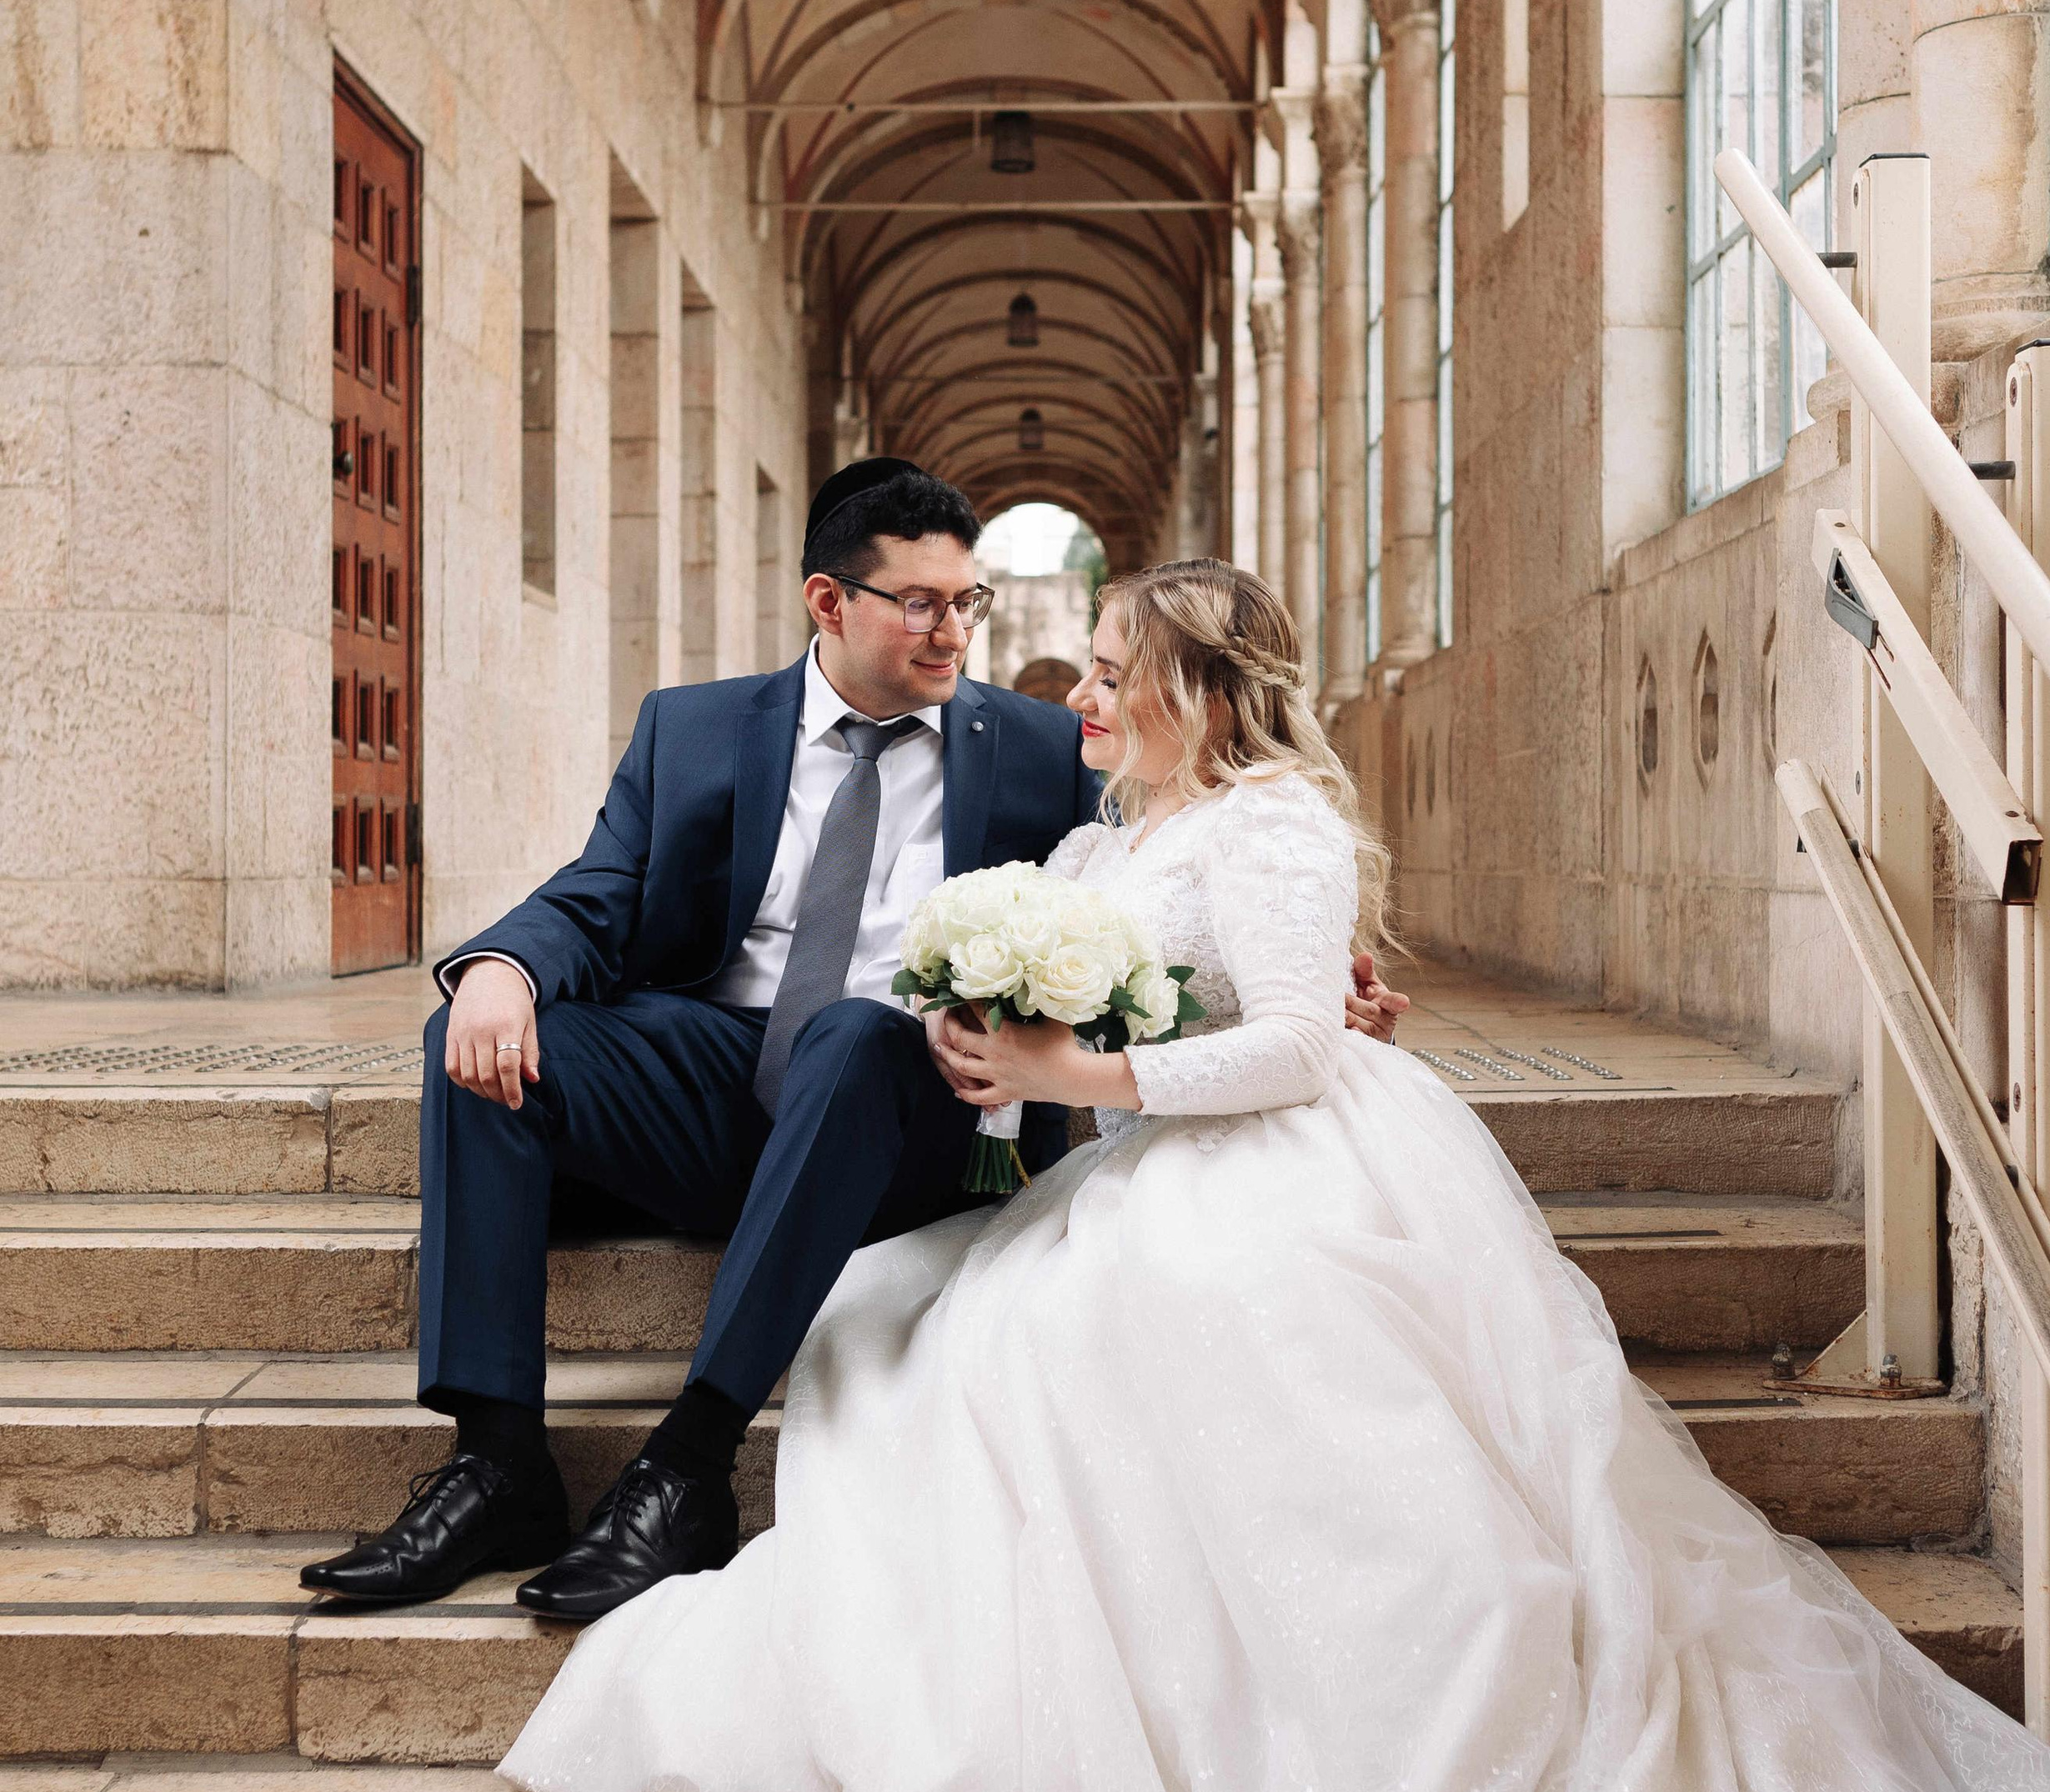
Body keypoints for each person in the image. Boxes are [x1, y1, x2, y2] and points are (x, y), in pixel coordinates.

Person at [503, 557, 2050, 1792]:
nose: (1079, 704)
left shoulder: (1268, 826)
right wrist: (988, 1037)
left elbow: (1288, 1042)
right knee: (900, 1332)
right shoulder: (1097, 843)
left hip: (1274, 1180)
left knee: (1179, 1380)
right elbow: (1038, 983)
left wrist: (1086, 1078)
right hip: (1131, 1171)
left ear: (1198, 688)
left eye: (1112, 673)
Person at [300, 468, 1406, 1625]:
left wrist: (1319, 980)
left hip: (907, 1109)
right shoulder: (697, 729)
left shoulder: (1039, 749)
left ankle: (686, 1469)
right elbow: (602, 890)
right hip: (718, 1077)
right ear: (831, 603)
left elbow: (1173, 885)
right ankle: (497, 1465)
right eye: (922, 603)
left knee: (849, 1039)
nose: (954, 629)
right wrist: (499, 971)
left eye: (967, 601)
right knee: (474, 1040)